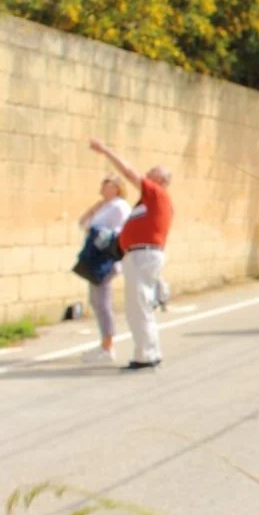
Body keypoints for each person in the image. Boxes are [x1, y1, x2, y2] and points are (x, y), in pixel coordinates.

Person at [90, 138, 173, 371]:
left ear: (161, 181)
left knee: (138, 306)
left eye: (152, 172)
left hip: (142, 256)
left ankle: (145, 355)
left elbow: (128, 172)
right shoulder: (148, 202)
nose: (146, 174)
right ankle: (149, 351)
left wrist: (106, 151)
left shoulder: (156, 193)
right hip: (138, 256)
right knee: (140, 305)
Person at [76, 175, 131, 364]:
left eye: (109, 186)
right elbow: (83, 224)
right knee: (96, 300)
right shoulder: (105, 206)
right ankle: (105, 343)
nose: (104, 189)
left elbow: (119, 230)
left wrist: (100, 230)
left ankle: (108, 346)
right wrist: (93, 209)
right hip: (96, 256)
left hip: (106, 258)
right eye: (104, 185)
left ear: (117, 188)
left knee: (102, 301)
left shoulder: (119, 206)